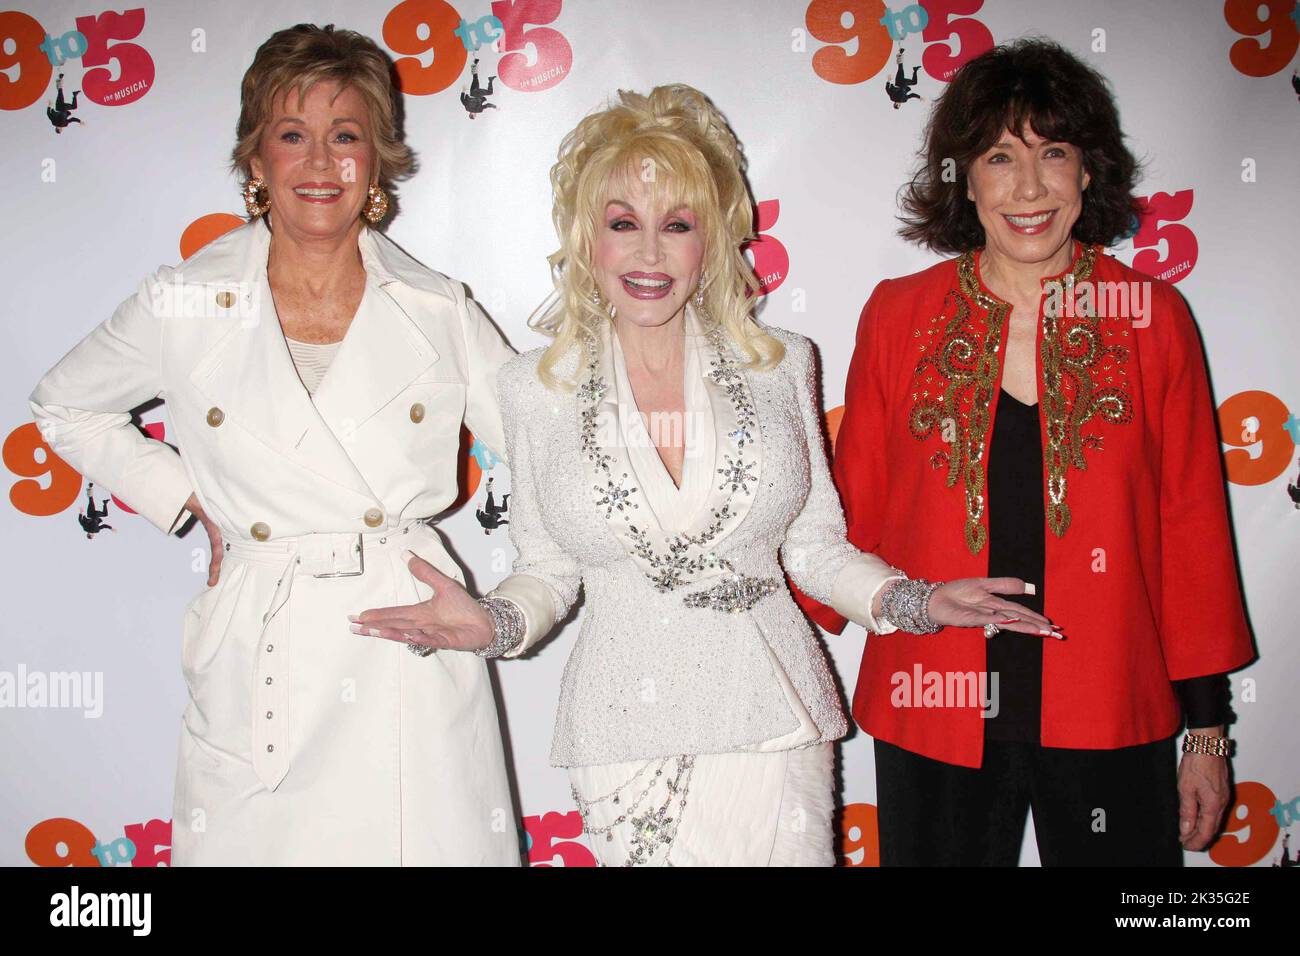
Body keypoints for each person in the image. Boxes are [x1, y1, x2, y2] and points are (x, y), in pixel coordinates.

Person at [353, 84, 1055, 866]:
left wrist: (918, 599)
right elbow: (548, 569)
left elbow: (815, 549)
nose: (649, 254)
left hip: (774, 713)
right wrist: (496, 623)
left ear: (710, 242)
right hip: (625, 729)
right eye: (623, 225)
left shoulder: (781, 364)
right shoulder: (533, 387)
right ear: (589, 242)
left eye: (676, 226)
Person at [29, 23, 520, 866]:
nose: (320, 163)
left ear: (377, 160)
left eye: (346, 136)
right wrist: (185, 497)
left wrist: (506, 615)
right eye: (291, 137)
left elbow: (551, 458)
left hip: (406, 639)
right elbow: (64, 406)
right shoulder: (184, 298)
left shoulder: (438, 308)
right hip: (259, 645)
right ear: (255, 161)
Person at [793, 39, 1255, 866]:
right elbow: (842, 516)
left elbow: (1192, 534)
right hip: (934, 698)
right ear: (963, 179)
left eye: (1054, 152)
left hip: (1113, 702)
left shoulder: (1152, 317)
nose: (1029, 186)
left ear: (1088, 172)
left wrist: (1209, 731)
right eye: (999, 156)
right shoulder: (899, 316)